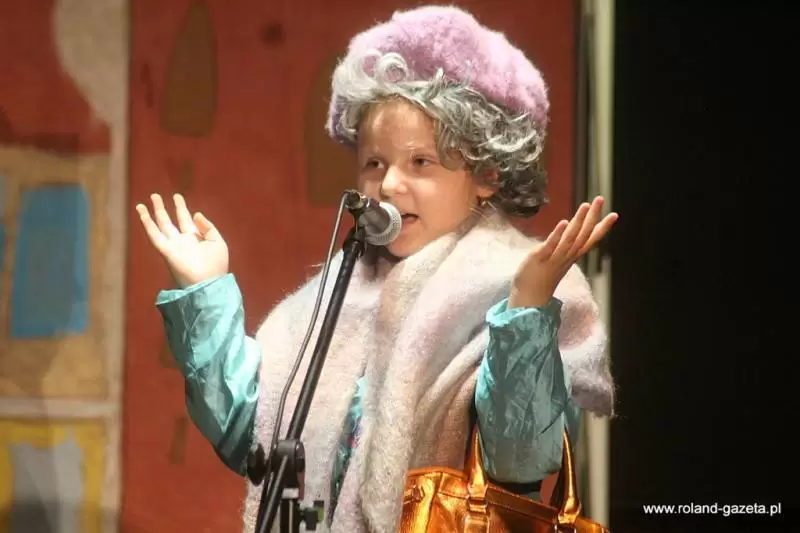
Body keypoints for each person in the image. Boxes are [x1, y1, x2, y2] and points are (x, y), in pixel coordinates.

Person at [136, 5, 618, 533]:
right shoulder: (337, 290)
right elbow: (249, 436)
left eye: (420, 163)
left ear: (486, 174)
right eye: (374, 163)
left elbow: (520, 461)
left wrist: (526, 312)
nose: (388, 185)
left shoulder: (520, 283)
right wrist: (205, 290)